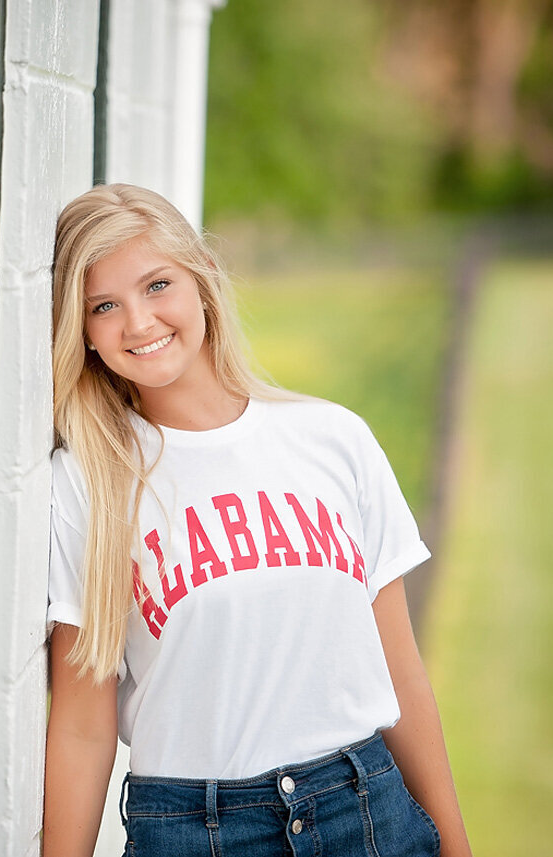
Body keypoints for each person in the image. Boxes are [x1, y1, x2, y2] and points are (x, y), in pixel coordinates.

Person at [43, 183, 472, 857]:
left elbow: (401, 671)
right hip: (193, 829)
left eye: (158, 284)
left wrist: (455, 843)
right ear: (85, 332)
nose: (138, 321)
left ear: (204, 281)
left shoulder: (334, 439)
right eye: (104, 305)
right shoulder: (88, 483)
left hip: (364, 811)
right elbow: (81, 726)